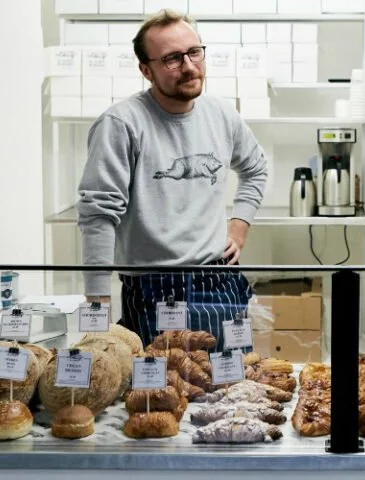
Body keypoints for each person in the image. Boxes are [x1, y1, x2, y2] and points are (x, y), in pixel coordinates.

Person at [77, 9, 268, 349]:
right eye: (172, 58)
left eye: (194, 52)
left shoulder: (221, 114)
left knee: (236, 390)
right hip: (154, 287)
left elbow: (256, 168)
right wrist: (98, 301)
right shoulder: (121, 123)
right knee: (159, 393)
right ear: (146, 70)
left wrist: (239, 224)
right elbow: (99, 215)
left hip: (218, 277)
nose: (190, 66)